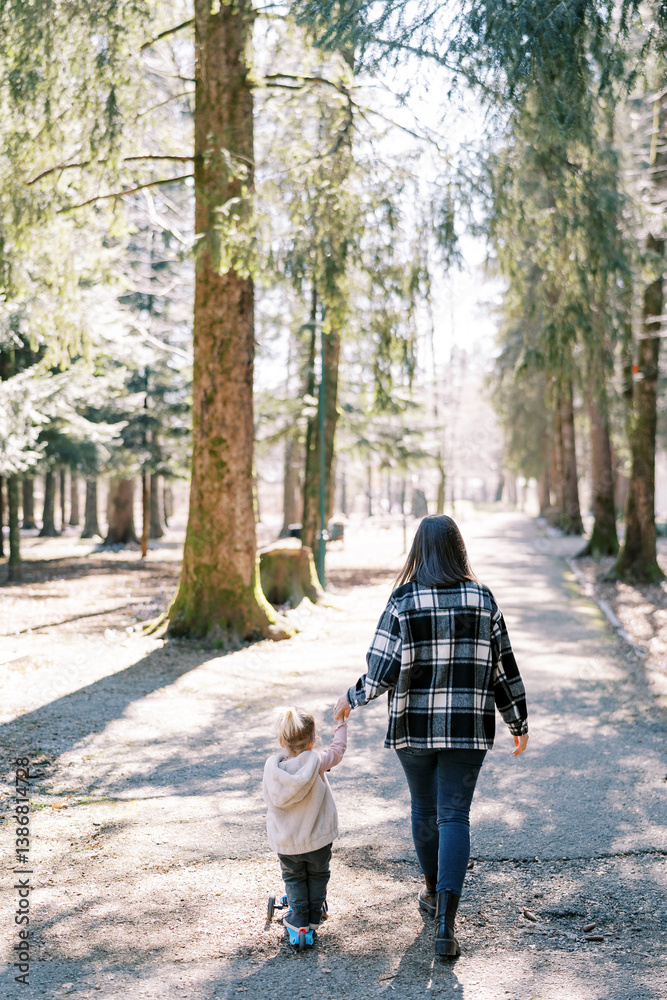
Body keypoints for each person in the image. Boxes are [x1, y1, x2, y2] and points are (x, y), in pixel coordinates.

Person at [333, 514, 529, 958]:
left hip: (413, 729)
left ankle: (431, 892)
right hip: (467, 728)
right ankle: (446, 926)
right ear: (458, 550)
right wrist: (518, 721)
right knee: (454, 817)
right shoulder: (483, 599)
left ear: (418, 550)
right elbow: (504, 669)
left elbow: (380, 672)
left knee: (424, 808)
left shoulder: (403, 600)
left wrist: (351, 697)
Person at [263, 707, 348, 935]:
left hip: (288, 840)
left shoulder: (273, 770)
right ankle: (314, 913)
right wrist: (340, 724)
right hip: (317, 838)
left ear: (282, 741)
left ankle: (298, 914)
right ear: (313, 741)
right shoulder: (317, 762)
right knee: (319, 874)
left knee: (294, 875)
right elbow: (338, 750)